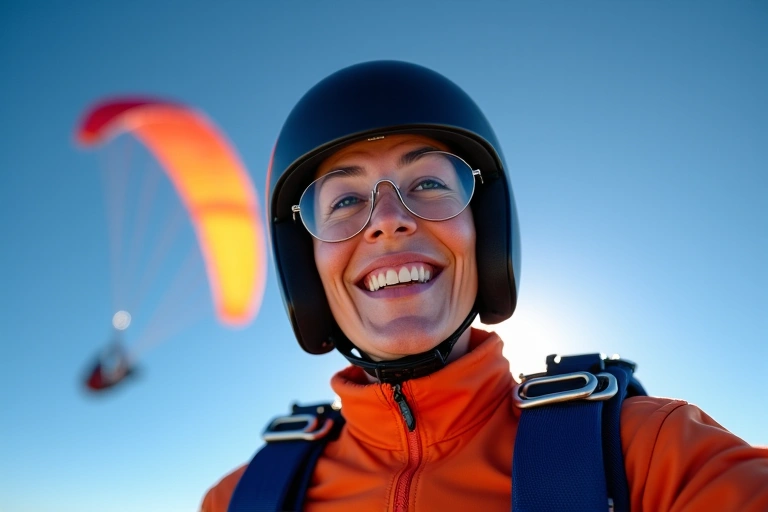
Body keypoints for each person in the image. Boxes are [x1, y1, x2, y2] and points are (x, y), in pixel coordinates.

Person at [202, 61, 768, 511]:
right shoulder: (240, 500)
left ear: (487, 232)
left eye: (427, 182)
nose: (388, 220)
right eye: (345, 200)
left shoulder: (646, 454)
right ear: (306, 264)